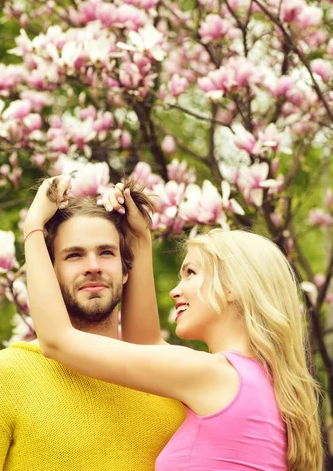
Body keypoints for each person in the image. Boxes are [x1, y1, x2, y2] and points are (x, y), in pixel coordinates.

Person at [24, 174, 323, 471]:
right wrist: (140, 237)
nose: (175, 290)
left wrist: (34, 224)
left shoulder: (214, 375)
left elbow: (57, 340)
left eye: (191, 273)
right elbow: (143, 345)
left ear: (232, 287)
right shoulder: (259, 381)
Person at [0, 178, 186, 471]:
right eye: (74, 255)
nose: (93, 265)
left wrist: (141, 235)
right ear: (50, 271)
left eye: (106, 252)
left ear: (125, 270)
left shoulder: (171, 383)